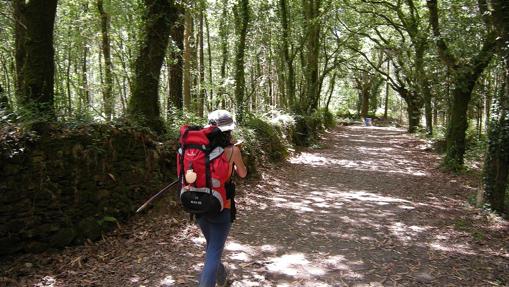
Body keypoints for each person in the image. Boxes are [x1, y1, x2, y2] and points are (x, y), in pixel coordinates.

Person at [197, 110, 247, 287]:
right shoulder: (233, 151)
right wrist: (234, 159)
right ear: (229, 130)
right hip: (221, 207)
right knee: (214, 251)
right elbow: (242, 174)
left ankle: (222, 277)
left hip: (198, 206)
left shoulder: (198, 149)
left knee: (212, 246)